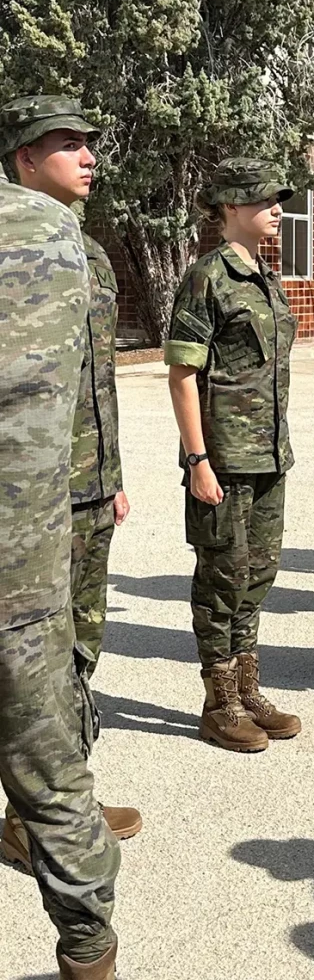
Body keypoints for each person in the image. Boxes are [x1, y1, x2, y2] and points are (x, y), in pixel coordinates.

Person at [0, 95, 140, 869]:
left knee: (78, 648)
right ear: (23, 159)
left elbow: (97, 379)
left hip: (86, 484)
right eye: (67, 145)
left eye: (90, 144)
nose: (88, 157)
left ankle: (58, 800)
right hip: (25, 502)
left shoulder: (89, 252)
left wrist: (110, 473)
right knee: (29, 663)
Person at [0, 176, 120, 979]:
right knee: (50, 771)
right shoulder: (51, 230)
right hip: (26, 564)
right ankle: (89, 949)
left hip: (26, 565)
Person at [165, 158, 302, 752]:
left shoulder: (265, 276)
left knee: (258, 574)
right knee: (221, 576)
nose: (276, 209)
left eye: (278, 200)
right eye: (264, 199)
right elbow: (181, 375)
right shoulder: (208, 277)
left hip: (269, 455)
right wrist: (197, 461)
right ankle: (219, 700)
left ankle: (247, 688)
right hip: (223, 457)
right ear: (228, 209)